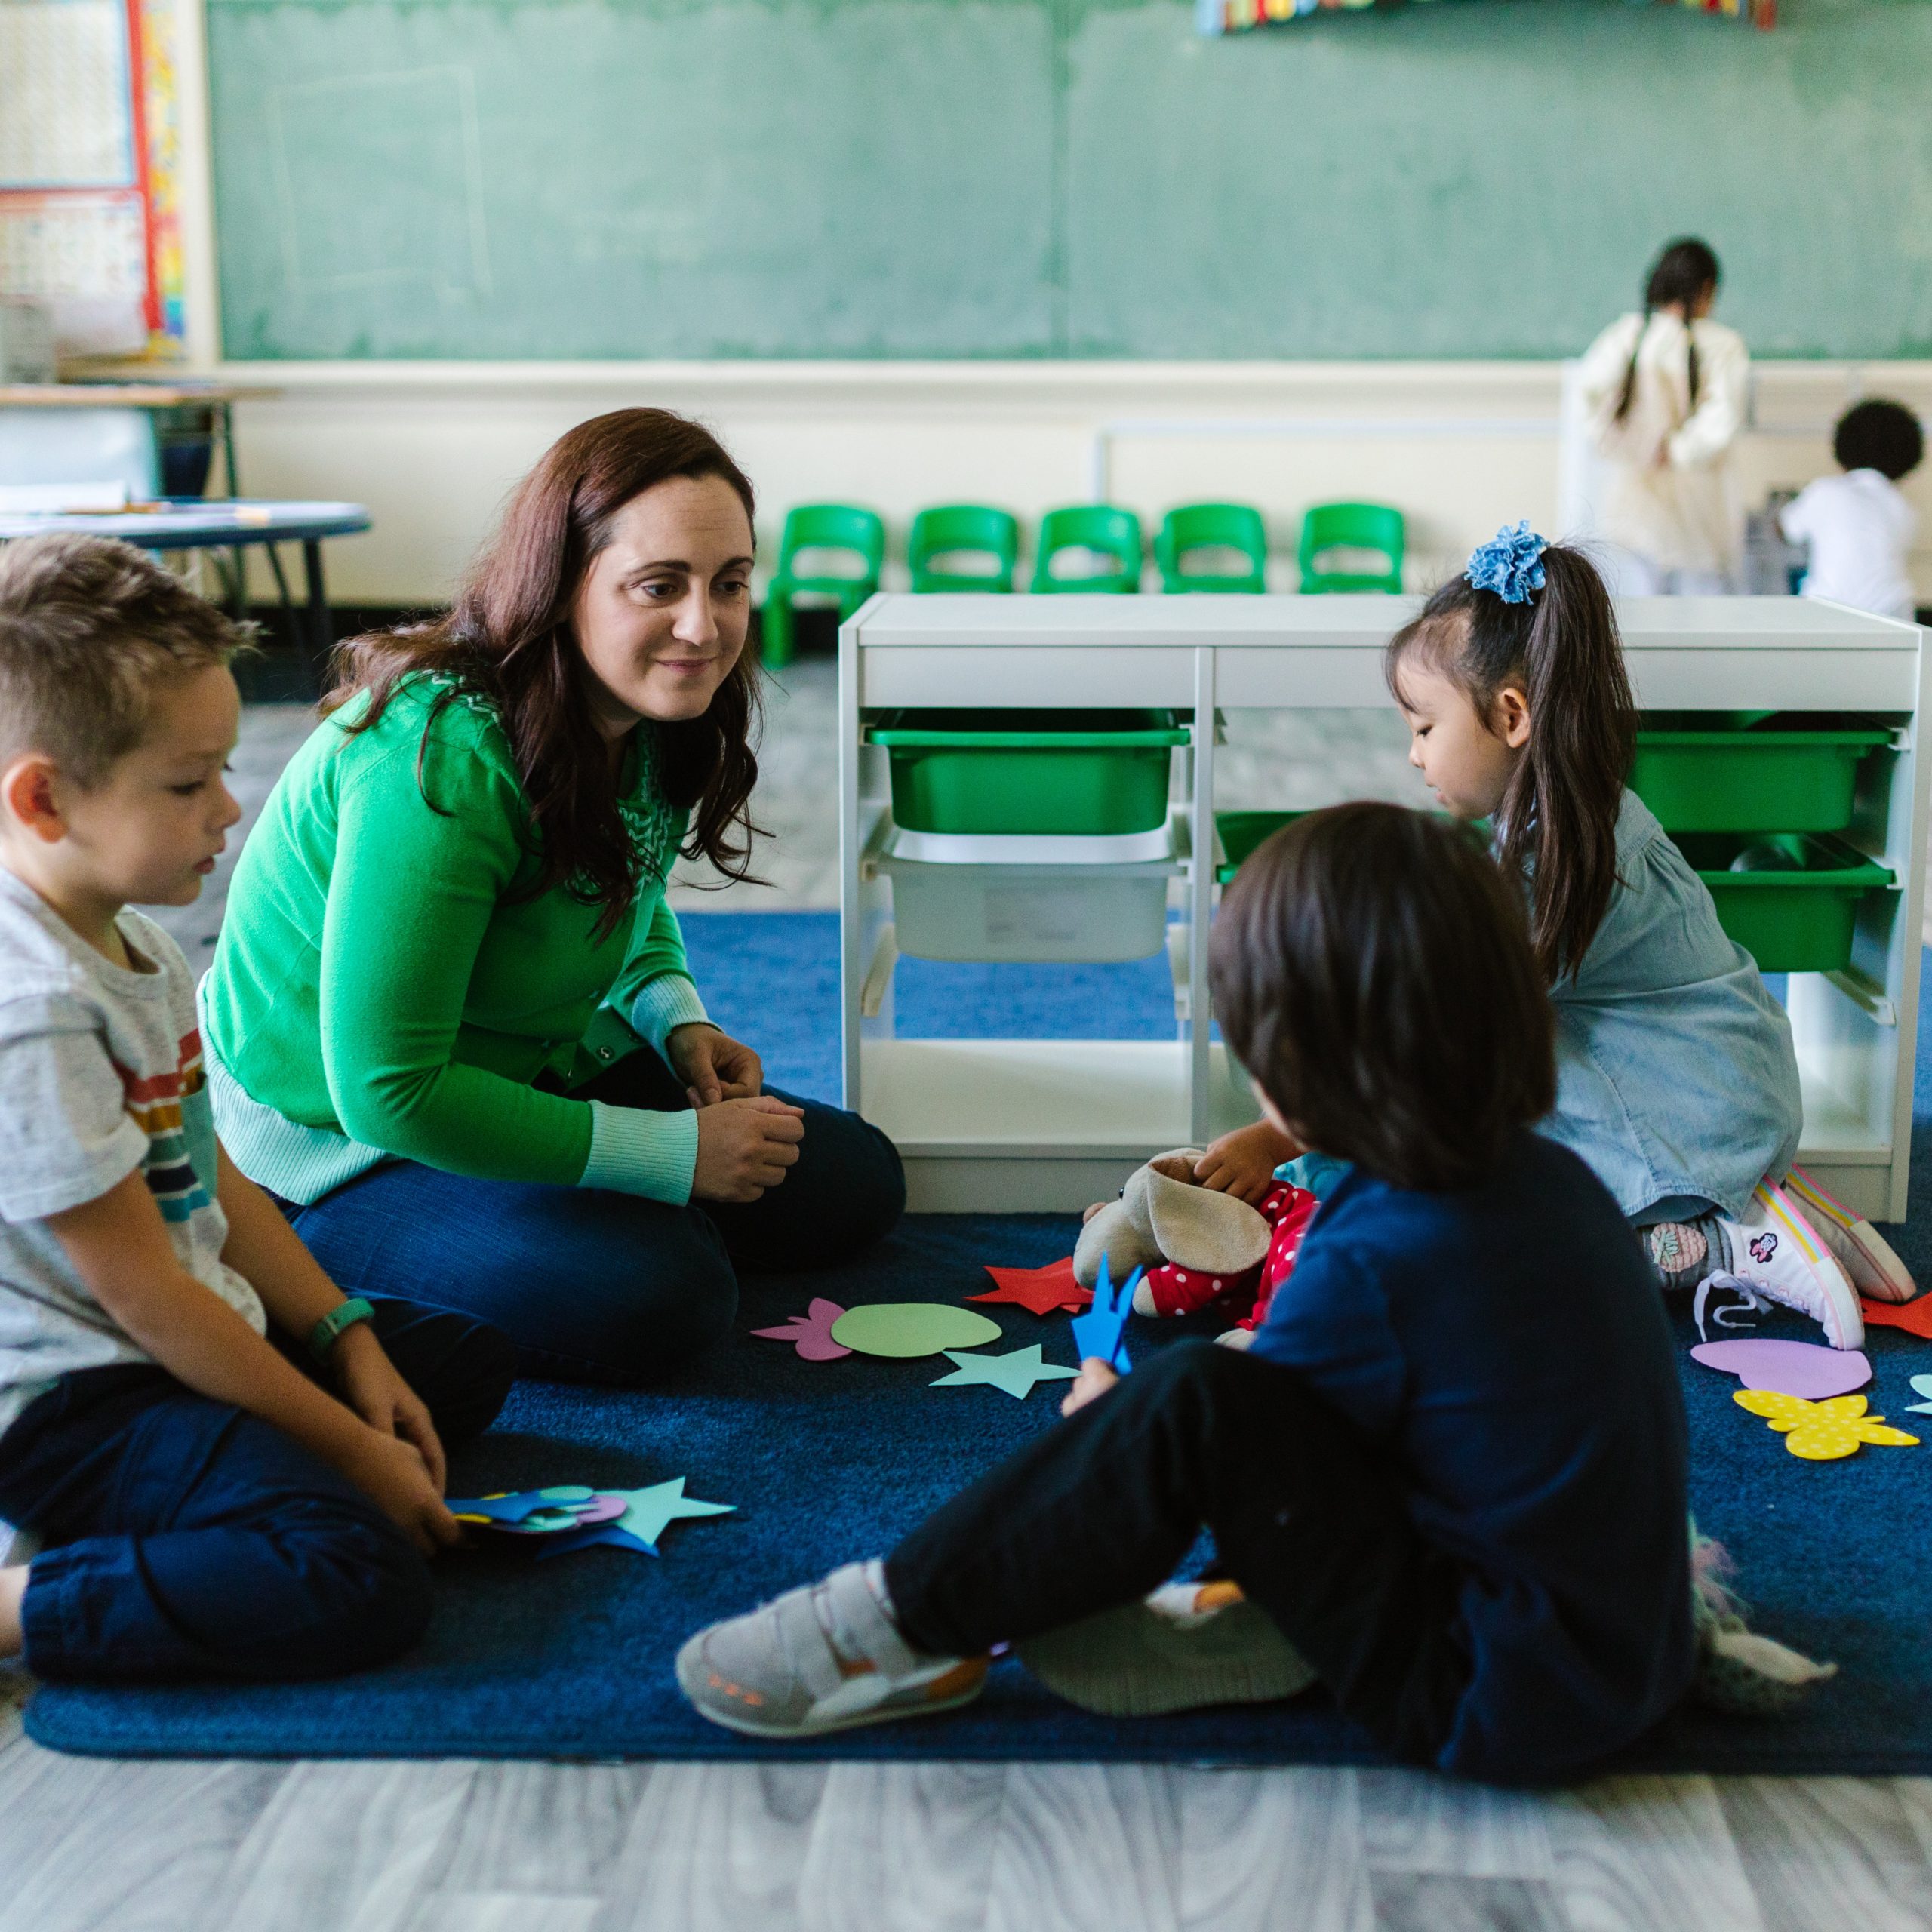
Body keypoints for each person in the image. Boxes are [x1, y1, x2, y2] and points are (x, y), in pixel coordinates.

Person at [675, 805, 1700, 1785]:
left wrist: (1108, 1428)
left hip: (1488, 1693)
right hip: (1619, 1652)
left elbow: (1229, 1432)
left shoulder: (1382, 1256)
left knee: (1187, 1402)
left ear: (1292, 1066)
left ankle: (886, 1623)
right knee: (1225, 1394)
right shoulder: (1542, 1181)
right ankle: (1274, 1621)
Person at [200, 409, 905, 1386]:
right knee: (663, 1301)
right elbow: (386, 1091)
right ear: (562, 584)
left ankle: (558, 1207)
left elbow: (629, 886)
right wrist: (671, 1155)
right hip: (336, 1144)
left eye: (730, 584)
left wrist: (675, 1021)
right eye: (658, 587)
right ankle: (302, 1255)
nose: (705, 627)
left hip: (525, 1067)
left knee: (852, 1181)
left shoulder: (651, 709)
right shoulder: (439, 754)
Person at [0, 534, 516, 1685]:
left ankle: (219, 1498)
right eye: (188, 784)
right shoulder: (31, 1009)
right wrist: (343, 1444)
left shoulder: (130, 935)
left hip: (177, 1321)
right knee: (354, 1570)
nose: (229, 809)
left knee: (457, 1364)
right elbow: (154, 1299)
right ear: (42, 799)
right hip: (78, 1393)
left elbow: (211, 1175)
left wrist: (349, 1338)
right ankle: (17, 1602)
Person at [1194, 525, 1878, 1349]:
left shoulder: (1555, 853)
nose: (1412, 755)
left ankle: (1729, 1238)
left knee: (1543, 1243)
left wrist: (1285, 1137)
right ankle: (1754, 1195)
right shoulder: (1563, 817)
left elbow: (1446, 1037)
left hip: (1684, 1105)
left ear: (1510, 715)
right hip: (1708, 1085)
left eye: (1421, 727)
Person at [1577, 238, 1747, 595]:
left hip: (1631, 509)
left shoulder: (1626, 335)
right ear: (1707, 289)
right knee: (1702, 624)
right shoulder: (1721, 344)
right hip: (1697, 514)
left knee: (1635, 621)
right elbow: (1723, 417)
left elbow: (1589, 398)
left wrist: (1630, 446)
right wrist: (1677, 450)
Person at [1779, 399, 1924, 623]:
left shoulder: (1824, 491)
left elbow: (1786, 529)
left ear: (1842, 448)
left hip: (1827, 612)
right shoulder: (1904, 509)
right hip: (1894, 613)